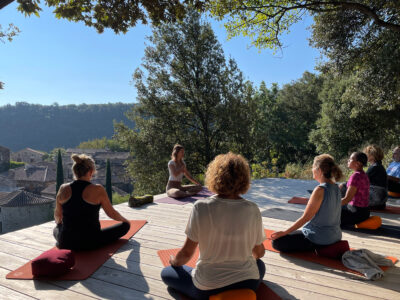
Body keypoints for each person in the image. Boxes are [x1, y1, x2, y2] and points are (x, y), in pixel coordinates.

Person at [161, 152, 266, 299]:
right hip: (248, 283)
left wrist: (174, 262)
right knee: (260, 265)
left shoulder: (201, 207)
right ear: (244, 180)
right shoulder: (253, 208)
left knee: (166, 272)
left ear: (214, 177)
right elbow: (259, 253)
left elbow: (186, 254)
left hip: (208, 288)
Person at [53, 154, 130, 251]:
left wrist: (60, 226)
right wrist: (125, 221)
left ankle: (61, 239)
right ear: (90, 172)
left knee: (57, 228)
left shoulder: (63, 188)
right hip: (91, 242)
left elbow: (57, 216)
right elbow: (111, 213)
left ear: (75, 171)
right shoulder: (98, 189)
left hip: (66, 242)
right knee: (125, 226)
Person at [271, 154, 342, 252]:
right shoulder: (336, 188)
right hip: (336, 236)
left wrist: (284, 232)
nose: (312, 169)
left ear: (319, 170)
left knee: (276, 242)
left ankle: (314, 247)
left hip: (319, 238)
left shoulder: (320, 189)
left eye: (313, 167)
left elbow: (305, 218)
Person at [341, 152, 370, 226]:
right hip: (365, 212)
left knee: (328, 211)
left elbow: (347, 199)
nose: (348, 160)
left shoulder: (356, 176)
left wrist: (329, 204)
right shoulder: (363, 174)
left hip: (356, 213)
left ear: (358, 163)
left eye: (350, 159)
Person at [364, 145, 388, 209]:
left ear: (373, 155)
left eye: (367, 154)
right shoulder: (378, 166)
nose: (365, 156)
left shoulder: (375, 167)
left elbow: (360, 180)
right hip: (380, 200)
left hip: (377, 200)